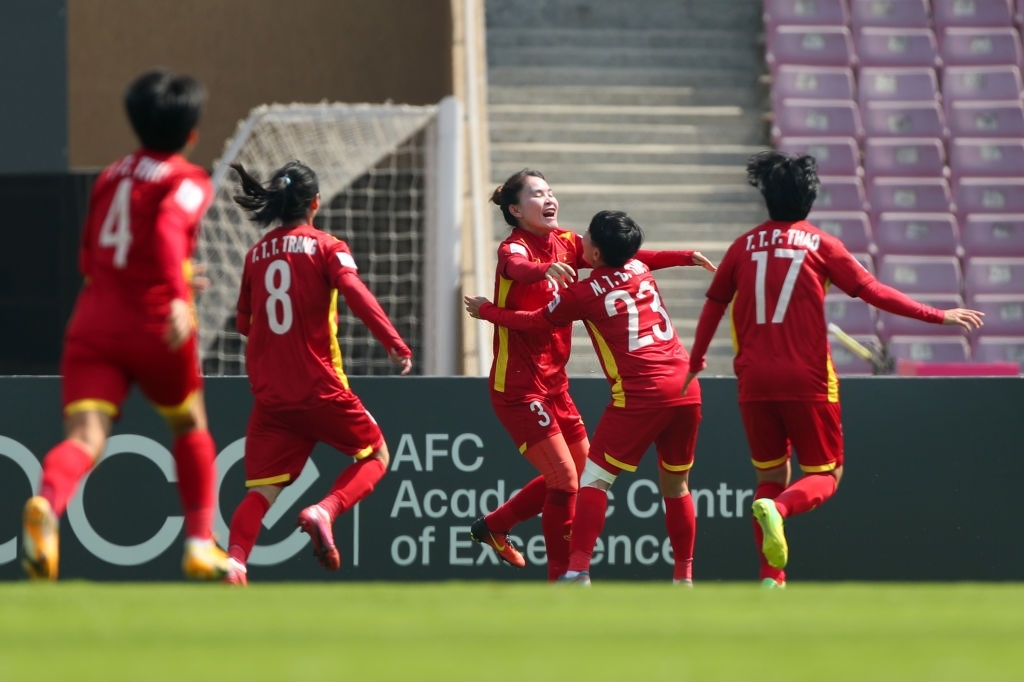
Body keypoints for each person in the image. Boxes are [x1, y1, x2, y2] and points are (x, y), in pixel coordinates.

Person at [683, 150, 985, 588]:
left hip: (753, 380)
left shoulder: (742, 246)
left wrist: (697, 358)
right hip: (807, 378)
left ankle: (772, 577)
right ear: (810, 198)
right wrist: (938, 315)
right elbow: (873, 291)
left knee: (770, 476)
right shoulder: (821, 244)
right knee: (826, 474)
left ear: (767, 197)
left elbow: (714, 303)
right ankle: (780, 510)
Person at [21, 68, 230, 581]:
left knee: (85, 436)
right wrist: (178, 292)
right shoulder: (187, 179)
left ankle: (48, 502)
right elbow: (167, 228)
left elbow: (90, 257)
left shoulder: (110, 176)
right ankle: (199, 544)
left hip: (94, 320)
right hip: (155, 322)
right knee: (190, 423)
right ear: (191, 133)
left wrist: (166, 277)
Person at [471, 170, 716, 581]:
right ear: (515, 209)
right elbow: (516, 268)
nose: (550, 198)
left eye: (550, 190)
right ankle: (562, 579)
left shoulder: (568, 242)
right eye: (537, 194)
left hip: (555, 383)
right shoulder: (513, 247)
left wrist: (684, 256)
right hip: (518, 386)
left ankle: (495, 526)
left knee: (579, 475)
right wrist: (541, 273)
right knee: (567, 480)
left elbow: (631, 256)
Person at [222, 160, 413, 585]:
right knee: (376, 455)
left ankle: (235, 563)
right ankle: (324, 511)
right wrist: (393, 341)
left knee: (261, 492)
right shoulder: (327, 246)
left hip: (272, 396)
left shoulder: (256, 255)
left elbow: (244, 324)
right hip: (319, 386)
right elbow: (354, 291)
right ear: (316, 203)